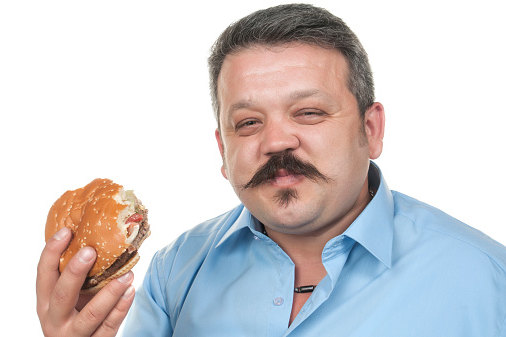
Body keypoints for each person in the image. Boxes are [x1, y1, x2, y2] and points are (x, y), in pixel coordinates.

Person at [37, 4, 506, 336]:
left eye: (309, 113)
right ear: (222, 150)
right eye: (248, 123)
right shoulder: (174, 274)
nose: (276, 141)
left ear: (371, 128)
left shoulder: (487, 280)